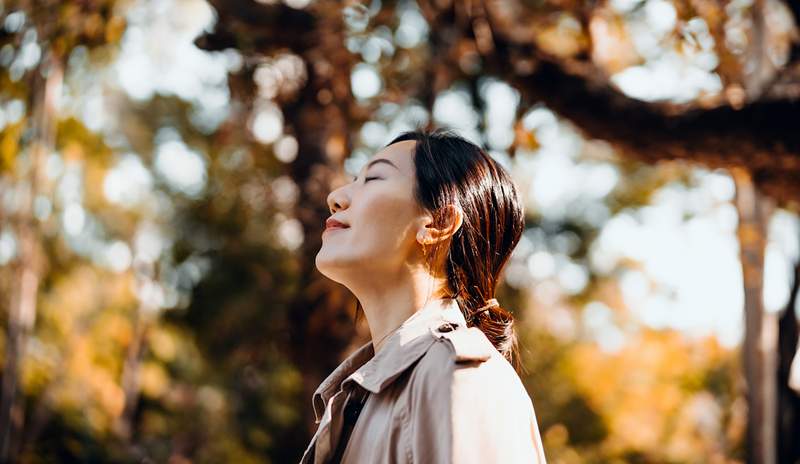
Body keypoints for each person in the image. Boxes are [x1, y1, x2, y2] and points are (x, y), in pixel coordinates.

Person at [300, 127, 547, 463]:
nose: (337, 196)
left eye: (372, 180)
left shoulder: (461, 379)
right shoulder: (360, 401)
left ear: (438, 223)